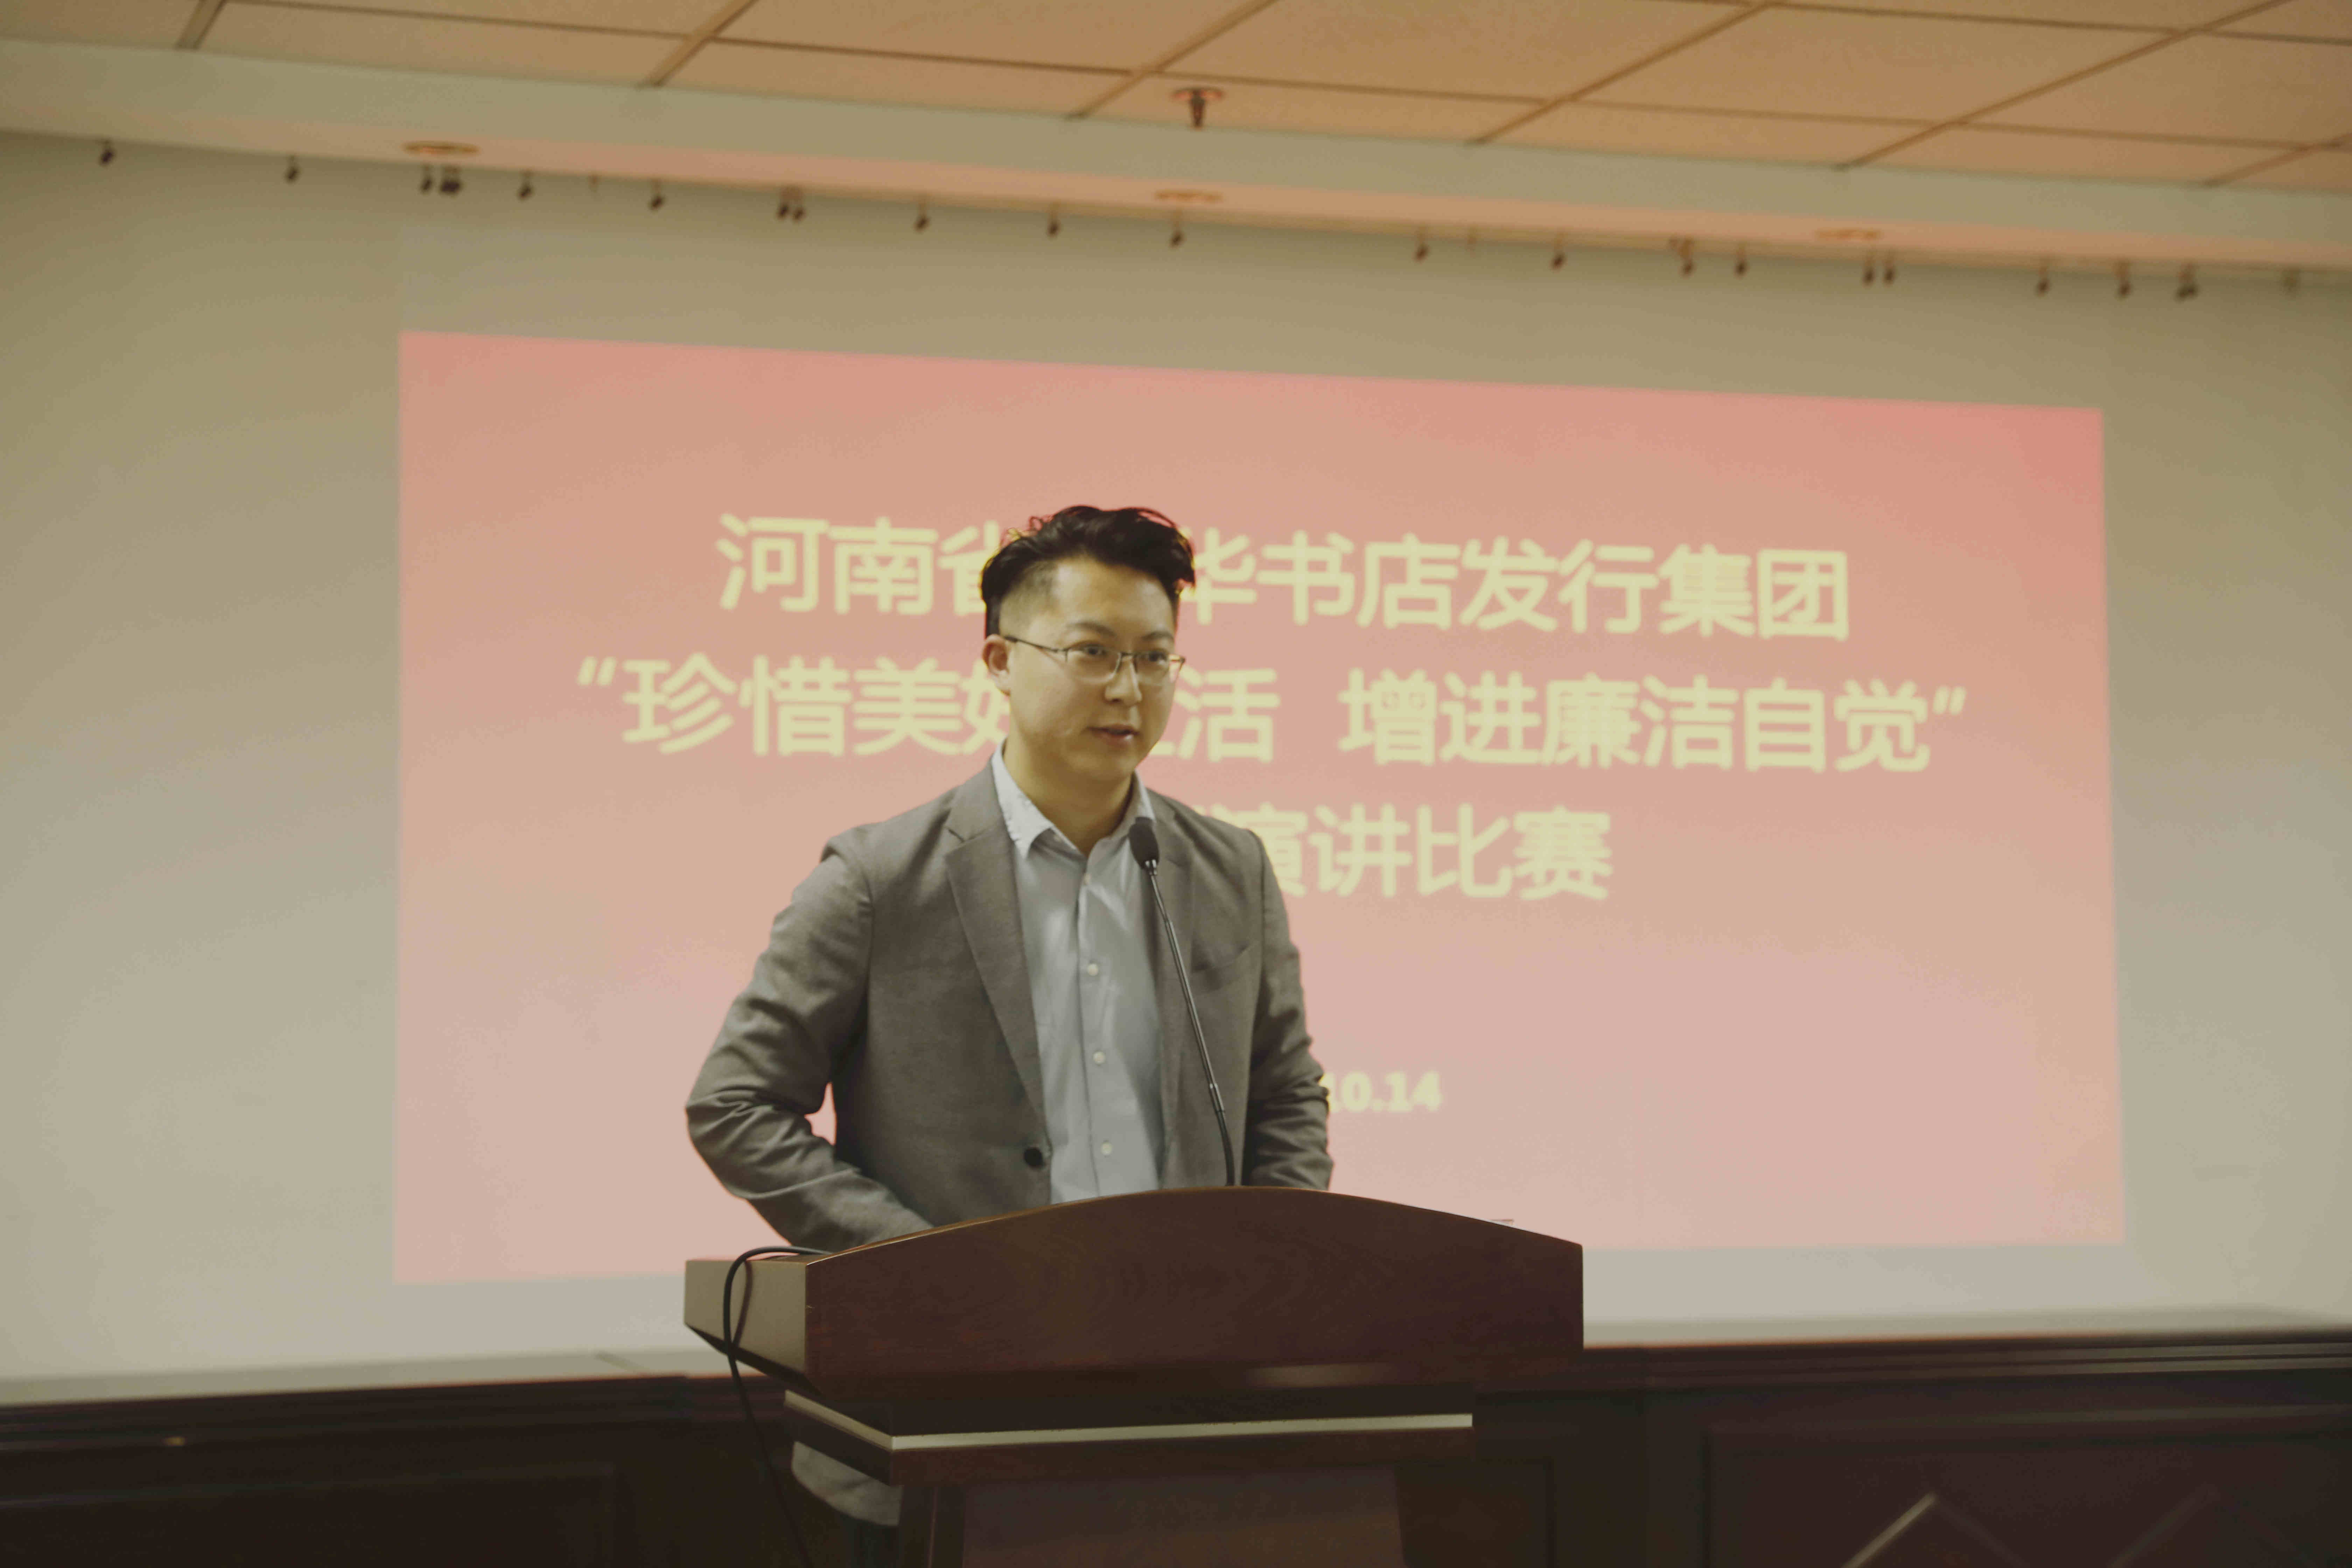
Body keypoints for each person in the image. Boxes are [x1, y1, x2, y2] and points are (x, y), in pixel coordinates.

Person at [685, 504, 1334, 1566]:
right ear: (1000, 659)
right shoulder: (879, 878)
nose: (1128, 689)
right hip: (941, 1419)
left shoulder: (1229, 871)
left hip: (1185, 1416)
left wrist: (1266, 1267)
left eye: (1155, 658)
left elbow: (1286, 1093)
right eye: (1092, 653)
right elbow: (736, 1104)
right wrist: (919, 1266)